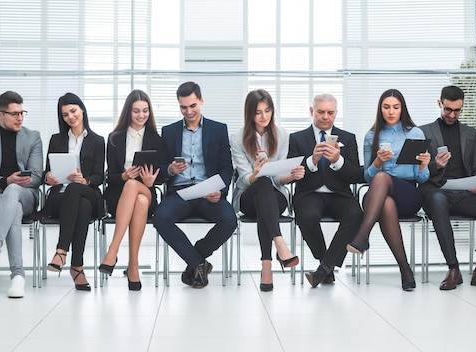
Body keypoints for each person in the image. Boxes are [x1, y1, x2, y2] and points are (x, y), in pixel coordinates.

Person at [420, 85, 476, 290]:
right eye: (448, 109)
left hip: (464, 196)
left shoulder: (471, 133)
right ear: (439, 104)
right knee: (437, 198)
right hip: (436, 193)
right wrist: (436, 165)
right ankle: (454, 269)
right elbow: (418, 173)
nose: (452, 114)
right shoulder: (423, 132)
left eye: (457, 110)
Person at [152, 81, 237, 289]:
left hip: (208, 191)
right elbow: (161, 169)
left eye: (192, 106)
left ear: (201, 101)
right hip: (179, 193)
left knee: (229, 220)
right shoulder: (169, 131)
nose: (188, 111)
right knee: (160, 218)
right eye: (183, 107)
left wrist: (220, 190)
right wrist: (171, 170)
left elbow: (227, 168)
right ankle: (198, 262)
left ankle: (195, 256)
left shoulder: (218, 130)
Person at [346, 89, 430, 291]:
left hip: (408, 194)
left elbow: (422, 179)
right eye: (386, 107)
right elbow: (367, 176)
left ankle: (363, 234)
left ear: (402, 109)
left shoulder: (415, 133)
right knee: (386, 201)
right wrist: (376, 161)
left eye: (395, 107)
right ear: (380, 109)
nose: (391, 111)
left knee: (383, 178)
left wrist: (423, 165)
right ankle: (405, 269)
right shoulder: (371, 136)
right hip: (378, 196)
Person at [230, 89, 305, 292]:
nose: (264, 116)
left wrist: (293, 175)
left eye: (268, 110)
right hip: (248, 195)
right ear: (250, 114)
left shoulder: (281, 135)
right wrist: (256, 172)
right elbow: (244, 180)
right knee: (261, 182)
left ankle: (267, 267)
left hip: (274, 196)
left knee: (266, 193)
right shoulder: (237, 138)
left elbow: (280, 177)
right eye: (258, 112)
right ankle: (280, 244)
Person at [288, 94, 364, 288]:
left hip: (339, 194)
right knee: (307, 216)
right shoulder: (296, 138)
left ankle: (324, 269)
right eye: (320, 112)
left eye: (330, 112)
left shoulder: (348, 138)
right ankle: (326, 265)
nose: (325, 116)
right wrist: (311, 161)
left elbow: (356, 175)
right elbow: (291, 173)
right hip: (309, 193)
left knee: (355, 214)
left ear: (336, 113)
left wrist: (338, 161)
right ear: (312, 111)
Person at [0, 91, 43, 298]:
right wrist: (5, 182)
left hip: (26, 195)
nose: (20, 118)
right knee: (14, 208)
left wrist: (4, 185)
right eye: (14, 114)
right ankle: (18, 277)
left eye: (22, 113)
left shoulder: (33, 137)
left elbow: (37, 176)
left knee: (14, 192)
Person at [40, 93, 105, 291]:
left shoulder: (97, 140)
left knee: (78, 190)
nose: (70, 117)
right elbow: (46, 171)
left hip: (89, 192)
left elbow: (99, 176)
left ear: (82, 110)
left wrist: (85, 180)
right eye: (65, 114)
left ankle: (61, 251)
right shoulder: (56, 139)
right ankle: (77, 266)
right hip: (61, 196)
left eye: (73, 111)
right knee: (80, 205)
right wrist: (48, 177)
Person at [99, 90, 162, 291]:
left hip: (147, 189)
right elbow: (110, 176)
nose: (141, 115)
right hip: (120, 195)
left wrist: (151, 180)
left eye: (145, 111)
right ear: (128, 112)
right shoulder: (114, 138)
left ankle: (112, 251)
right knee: (136, 196)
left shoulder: (156, 139)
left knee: (137, 188)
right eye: (136, 111)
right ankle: (133, 265)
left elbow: (161, 175)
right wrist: (124, 176)